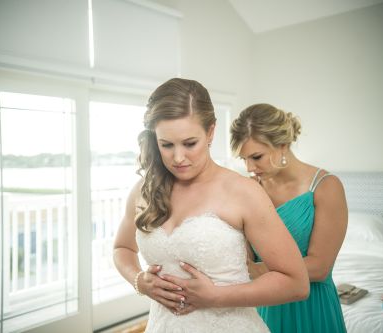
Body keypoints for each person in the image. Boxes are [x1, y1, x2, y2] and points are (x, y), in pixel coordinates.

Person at [113, 78, 309, 333]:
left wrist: (216, 297)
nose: (179, 157)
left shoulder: (243, 192)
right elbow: (121, 247)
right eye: (167, 145)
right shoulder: (144, 190)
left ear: (211, 132)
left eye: (189, 143)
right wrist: (139, 280)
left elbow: (296, 283)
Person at [229, 103, 348, 333]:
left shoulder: (325, 187)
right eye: (244, 159)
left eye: (256, 157)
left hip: (311, 306)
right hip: (264, 305)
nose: (250, 167)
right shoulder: (250, 189)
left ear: (282, 145)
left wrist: (255, 271)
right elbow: (244, 257)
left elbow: (320, 267)